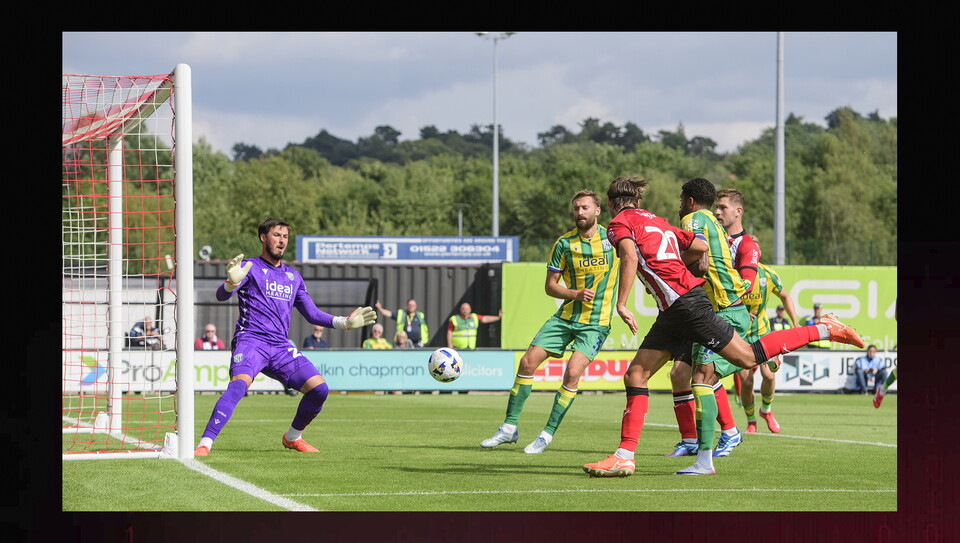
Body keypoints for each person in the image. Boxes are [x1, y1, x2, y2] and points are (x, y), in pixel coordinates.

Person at [581, 175, 864, 477]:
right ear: (638, 202)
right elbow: (699, 245)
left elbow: (629, 256)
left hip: (687, 305)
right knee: (637, 373)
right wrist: (678, 262)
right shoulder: (658, 221)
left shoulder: (618, 224)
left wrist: (622, 303)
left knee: (745, 358)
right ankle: (626, 455)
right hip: (673, 310)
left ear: (610, 205)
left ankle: (825, 329)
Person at [193, 218, 376, 457]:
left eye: (285, 236)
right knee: (238, 385)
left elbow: (312, 313)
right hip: (251, 341)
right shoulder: (249, 267)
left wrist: (344, 323)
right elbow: (220, 296)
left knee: (319, 389)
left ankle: (292, 438)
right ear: (263, 237)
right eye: (277, 235)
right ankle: (205, 444)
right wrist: (229, 284)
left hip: (280, 346)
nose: (281, 241)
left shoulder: (293, 276)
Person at [480, 190, 620, 454]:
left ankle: (546, 434)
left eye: (585, 208)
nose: (580, 213)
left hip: (596, 323)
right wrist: (574, 294)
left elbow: (635, 260)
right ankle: (509, 428)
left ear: (597, 211)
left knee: (573, 372)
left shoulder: (613, 240)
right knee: (527, 361)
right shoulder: (564, 244)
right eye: (576, 208)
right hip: (566, 317)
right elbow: (550, 287)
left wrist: (622, 305)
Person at [662, 184, 747, 459]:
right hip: (706, 310)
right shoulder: (712, 223)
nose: (679, 205)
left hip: (725, 310)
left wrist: (668, 268)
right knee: (681, 373)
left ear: (689, 200)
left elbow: (698, 255)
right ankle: (691, 440)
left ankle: (721, 439)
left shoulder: (694, 218)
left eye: (680, 200)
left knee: (703, 377)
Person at [737, 261, 799, 433]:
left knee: (769, 376)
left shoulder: (768, 274)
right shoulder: (732, 272)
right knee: (747, 381)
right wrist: (740, 314)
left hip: (762, 333)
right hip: (739, 335)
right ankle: (751, 421)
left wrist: (795, 321)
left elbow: (785, 296)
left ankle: (766, 410)